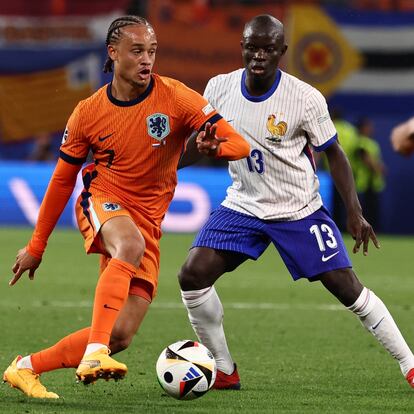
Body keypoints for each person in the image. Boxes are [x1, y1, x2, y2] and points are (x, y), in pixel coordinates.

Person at [3, 15, 250, 399]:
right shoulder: (87, 111)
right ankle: (95, 354)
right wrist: (37, 246)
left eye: (152, 51)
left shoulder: (177, 97)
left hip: (148, 221)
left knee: (120, 334)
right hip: (101, 199)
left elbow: (239, 143)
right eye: (137, 51)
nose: (146, 59)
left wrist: (218, 147)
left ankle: (25, 368)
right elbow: (61, 180)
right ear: (113, 53)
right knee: (128, 248)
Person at [177, 14, 414, 391]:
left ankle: (410, 364)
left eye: (267, 49)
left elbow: (334, 154)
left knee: (347, 288)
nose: (258, 56)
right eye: (252, 48)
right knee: (192, 275)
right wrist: (184, 157)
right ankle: (223, 368)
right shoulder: (218, 88)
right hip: (243, 205)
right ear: (241, 48)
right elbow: (195, 144)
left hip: (297, 209)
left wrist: (354, 211)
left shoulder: (304, 97)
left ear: (282, 52)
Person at [354, 117, 385, 231]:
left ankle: (373, 231)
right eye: (368, 126)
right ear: (362, 128)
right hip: (364, 183)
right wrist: (378, 168)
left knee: (373, 211)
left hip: (373, 183)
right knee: (364, 211)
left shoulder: (372, 143)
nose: (371, 129)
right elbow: (365, 157)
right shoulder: (360, 141)